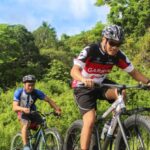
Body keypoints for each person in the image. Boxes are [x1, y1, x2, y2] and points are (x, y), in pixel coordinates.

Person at [70, 25, 150, 150]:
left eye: (118, 44)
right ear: (104, 39)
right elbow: (74, 71)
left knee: (121, 93)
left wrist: (148, 82)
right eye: (112, 43)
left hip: (101, 84)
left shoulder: (118, 55)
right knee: (90, 120)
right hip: (82, 86)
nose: (115, 47)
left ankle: (111, 124)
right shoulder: (91, 50)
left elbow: (134, 72)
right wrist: (83, 79)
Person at [13, 74, 61, 150]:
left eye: (33, 85)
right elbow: (14, 107)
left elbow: (48, 100)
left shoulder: (36, 92)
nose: (31, 87)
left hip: (32, 112)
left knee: (42, 125)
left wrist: (56, 109)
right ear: (24, 84)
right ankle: (26, 146)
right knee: (26, 123)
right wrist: (23, 109)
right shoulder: (19, 92)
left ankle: (38, 142)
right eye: (29, 85)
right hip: (21, 112)